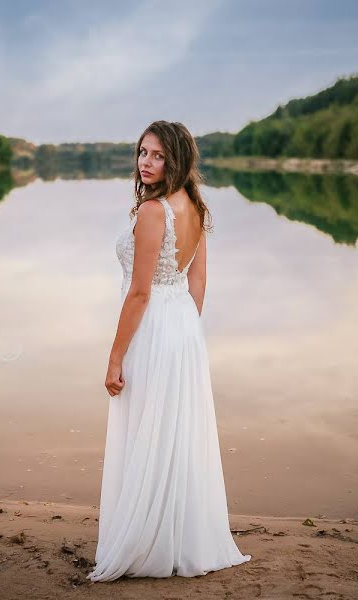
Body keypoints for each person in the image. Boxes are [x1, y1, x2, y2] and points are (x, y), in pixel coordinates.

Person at [87, 120, 251, 581]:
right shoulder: (195, 206)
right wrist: (184, 336)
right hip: (182, 327)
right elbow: (197, 282)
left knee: (147, 431)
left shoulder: (154, 212)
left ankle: (146, 546)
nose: (146, 162)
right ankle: (175, 539)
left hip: (154, 325)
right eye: (142, 152)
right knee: (173, 434)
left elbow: (139, 293)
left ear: (176, 159)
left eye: (157, 155)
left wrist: (115, 356)